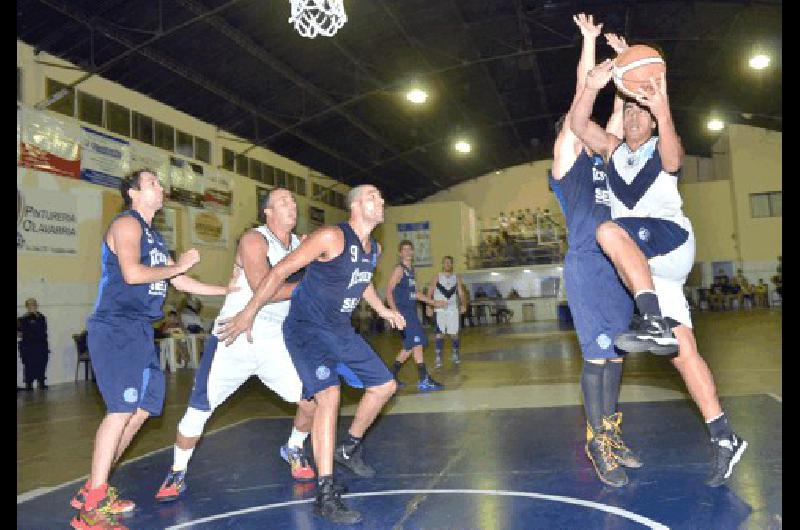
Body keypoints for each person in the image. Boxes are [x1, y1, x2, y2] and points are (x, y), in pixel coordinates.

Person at [570, 52, 748, 487]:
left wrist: (661, 107)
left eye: (639, 113)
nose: (632, 117)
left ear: (650, 122)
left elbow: (673, 158)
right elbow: (578, 126)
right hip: (652, 272)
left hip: (668, 239)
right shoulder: (611, 151)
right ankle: (724, 435)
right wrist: (596, 82)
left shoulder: (658, 144)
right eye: (627, 110)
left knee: (608, 231)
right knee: (684, 353)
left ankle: (649, 319)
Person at [216, 184, 405, 525]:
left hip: (340, 330)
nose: (382, 201)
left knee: (385, 386)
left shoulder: (373, 247)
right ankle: (325, 492)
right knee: (328, 397)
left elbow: (363, 281)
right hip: (307, 329)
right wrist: (249, 311)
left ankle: (348, 447)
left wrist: (381, 310)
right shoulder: (331, 236)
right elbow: (279, 271)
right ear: (358, 204)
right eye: (375, 196)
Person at [155, 188, 355, 503]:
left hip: (275, 339)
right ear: (268, 212)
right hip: (235, 336)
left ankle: (293, 447)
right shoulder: (254, 240)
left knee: (312, 402)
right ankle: (177, 471)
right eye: (283, 201)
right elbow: (266, 288)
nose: (292, 205)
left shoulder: (303, 246)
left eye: (293, 200)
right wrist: (313, 283)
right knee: (198, 412)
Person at [70, 169, 233, 530]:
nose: (161, 187)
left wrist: (226, 290)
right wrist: (179, 264)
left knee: (141, 411)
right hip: (116, 328)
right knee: (119, 412)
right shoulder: (126, 226)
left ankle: (94, 488)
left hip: (141, 331)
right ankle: (91, 507)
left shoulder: (156, 237)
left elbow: (179, 280)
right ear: (134, 192)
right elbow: (131, 273)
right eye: (153, 183)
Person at [549, 14, 638, 487]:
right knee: (598, 356)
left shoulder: (606, 157)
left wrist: (623, 68)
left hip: (617, 267)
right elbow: (579, 109)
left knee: (618, 355)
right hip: (585, 265)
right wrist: (587, 45)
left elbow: (616, 119)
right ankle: (596, 440)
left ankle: (611, 431)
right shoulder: (567, 167)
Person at [386, 240, 446, 391]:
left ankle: (390, 377)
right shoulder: (399, 269)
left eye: (409, 249)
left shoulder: (411, 270)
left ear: (412, 252)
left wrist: (432, 302)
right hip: (403, 312)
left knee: (409, 346)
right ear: (400, 253)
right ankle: (424, 379)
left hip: (411, 311)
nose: (407, 252)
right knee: (417, 342)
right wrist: (394, 313)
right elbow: (388, 292)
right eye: (404, 249)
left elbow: (416, 293)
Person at [427, 256, 467, 368]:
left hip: (453, 310)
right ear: (442, 264)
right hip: (439, 310)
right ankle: (438, 357)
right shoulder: (437, 277)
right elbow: (429, 292)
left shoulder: (456, 277)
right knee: (440, 334)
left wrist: (464, 304)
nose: (448, 264)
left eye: (450, 262)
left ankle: (455, 354)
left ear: (452, 264)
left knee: (454, 334)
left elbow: (461, 293)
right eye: (446, 262)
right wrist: (429, 306)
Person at [17, 298, 50, 391]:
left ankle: (41, 383)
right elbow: (19, 333)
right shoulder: (22, 319)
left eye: (34, 304)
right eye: (30, 305)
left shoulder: (42, 317)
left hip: (41, 345)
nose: (32, 306)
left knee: (42, 364)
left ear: (37, 306)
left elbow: (43, 330)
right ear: (27, 307)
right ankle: (29, 384)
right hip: (28, 346)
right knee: (28, 365)